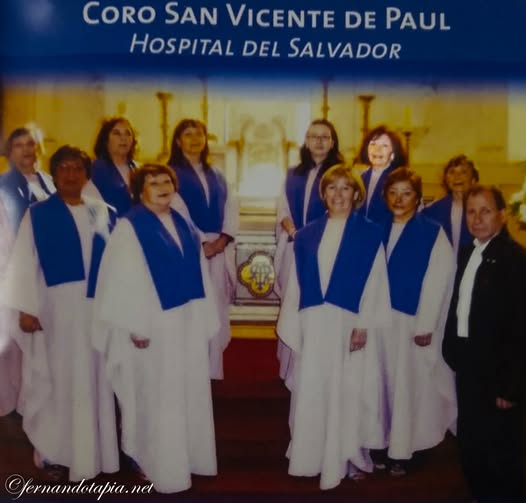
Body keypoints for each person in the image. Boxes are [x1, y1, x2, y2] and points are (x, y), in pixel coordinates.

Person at [93, 163, 219, 493]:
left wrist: (202, 317)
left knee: (184, 392)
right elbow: (121, 280)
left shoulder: (183, 222)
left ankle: (187, 457)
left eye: (167, 181)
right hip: (151, 327)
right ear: (139, 191)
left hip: (185, 321)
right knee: (153, 393)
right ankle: (153, 460)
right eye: (153, 183)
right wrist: (136, 326)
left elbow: (199, 272)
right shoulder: (130, 227)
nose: (163, 187)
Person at [3, 145, 119, 481]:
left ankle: (95, 454)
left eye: (77, 168)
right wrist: (26, 309)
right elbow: (23, 263)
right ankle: (53, 453)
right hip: (55, 311)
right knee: (56, 381)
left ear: (87, 175)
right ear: (53, 174)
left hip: (97, 310)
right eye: (63, 168)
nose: (71, 174)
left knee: (94, 382)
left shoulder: (105, 213)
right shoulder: (38, 214)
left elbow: (118, 264)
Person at [277, 164, 391, 489]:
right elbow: (296, 283)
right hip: (314, 322)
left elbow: (376, 281)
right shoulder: (307, 234)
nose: (338, 194)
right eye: (332, 188)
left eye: (345, 188)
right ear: (323, 194)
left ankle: (348, 456)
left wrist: (364, 324)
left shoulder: (369, 233)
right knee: (314, 388)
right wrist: (295, 324)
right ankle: (311, 456)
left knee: (350, 389)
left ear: (356, 194)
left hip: (349, 323)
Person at [443, 184, 526, 503]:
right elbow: (460, 306)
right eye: (471, 212)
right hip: (470, 366)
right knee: (472, 445)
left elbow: (520, 327)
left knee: (501, 453)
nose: (477, 219)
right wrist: (453, 351)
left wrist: (510, 386)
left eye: (485, 211)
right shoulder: (467, 253)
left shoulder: (515, 259)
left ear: (502, 215)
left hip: (499, 375)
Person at [378, 168, 457, 476]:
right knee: (381, 384)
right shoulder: (376, 229)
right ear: (384, 196)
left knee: (408, 386)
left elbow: (439, 280)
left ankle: (408, 448)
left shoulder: (432, 232)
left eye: (406, 193)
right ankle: (382, 441)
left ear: (418, 197)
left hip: (411, 324)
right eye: (393, 193)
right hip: (379, 323)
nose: (399, 199)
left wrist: (426, 324)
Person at [274, 118, 344, 383]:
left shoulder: (340, 174)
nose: (319, 141)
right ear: (306, 141)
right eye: (314, 136)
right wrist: (294, 232)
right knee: (293, 303)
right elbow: (283, 209)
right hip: (296, 247)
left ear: (333, 142)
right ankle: (291, 368)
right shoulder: (293, 173)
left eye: (325, 137)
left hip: (325, 251)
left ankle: (316, 367)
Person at [168, 118, 238, 380]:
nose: (195, 139)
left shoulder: (217, 174)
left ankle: (212, 369)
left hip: (217, 248)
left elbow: (231, 206)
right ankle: (191, 370)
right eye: (188, 134)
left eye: (199, 134)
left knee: (215, 307)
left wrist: (223, 239)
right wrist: (201, 243)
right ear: (178, 141)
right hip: (188, 250)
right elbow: (175, 211)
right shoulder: (170, 173)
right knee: (193, 308)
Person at [0, 127, 55, 417]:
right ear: (10, 152)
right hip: (14, 267)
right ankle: (12, 407)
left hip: (47, 270)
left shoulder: (49, 181)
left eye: (30, 144)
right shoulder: (3, 186)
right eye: (18, 145)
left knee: (42, 340)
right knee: (13, 343)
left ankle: (36, 403)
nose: (25, 150)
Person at [422, 154, 479, 255]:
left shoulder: (482, 211)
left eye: (463, 172)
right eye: (452, 172)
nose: (457, 177)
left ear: (473, 180)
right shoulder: (431, 212)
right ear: (446, 179)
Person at [84, 117, 138, 216]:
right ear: (105, 140)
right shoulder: (93, 170)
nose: (123, 138)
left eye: (128, 133)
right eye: (116, 133)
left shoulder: (138, 169)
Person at [357, 125, 407, 224]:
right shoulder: (360, 178)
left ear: (393, 153)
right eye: (373, 144)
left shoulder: (399, 180)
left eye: (384, 146)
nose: (377, 149)